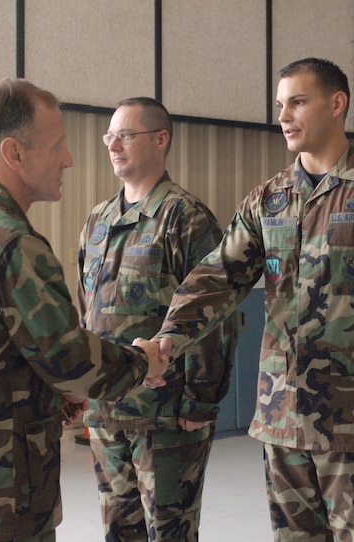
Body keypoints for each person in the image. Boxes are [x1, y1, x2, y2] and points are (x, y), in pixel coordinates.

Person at [145, 57, 354, 541]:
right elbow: (219, 275)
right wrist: (170, 336)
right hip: (282, 420)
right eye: (280, 105)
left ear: (336, 104)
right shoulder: (269, 200)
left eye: (297, 101)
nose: (283, 116)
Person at [0, 79, 165, 542]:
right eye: (57, 145)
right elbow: (76, 366)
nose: (67, 159)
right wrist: (144, 361)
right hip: (0, 491)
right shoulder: (13, 245)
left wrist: (50, 393)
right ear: (14, 153)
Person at [77, 97, 237, 541]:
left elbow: (216, 313)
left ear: (160, 140)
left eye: (126, 135)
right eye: (110, 136)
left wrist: (202, 400)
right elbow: (84, 306)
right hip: (106, 409)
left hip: (165, 417)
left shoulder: (185, 218)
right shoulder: (98, 220)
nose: (114, 146)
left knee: (170, 532)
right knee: (118, 531)